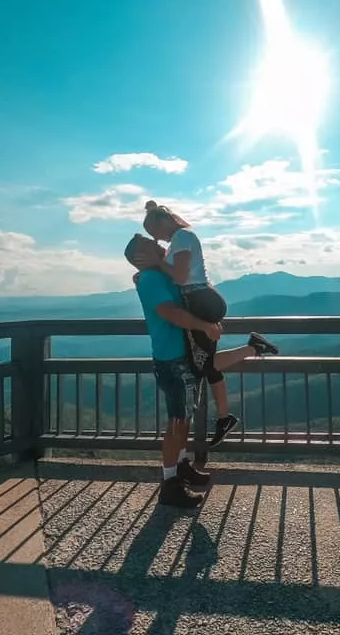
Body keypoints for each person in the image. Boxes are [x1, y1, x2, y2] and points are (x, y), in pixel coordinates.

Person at [124, 233, 279, 508]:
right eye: (151, 244)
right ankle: (170, 485)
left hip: (180, 357)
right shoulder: (151, 280)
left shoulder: (157, 276)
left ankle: (181, 466)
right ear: (139, 257)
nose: (160, 244)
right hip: (173, 359)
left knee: (184, 418)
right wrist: (203, 325)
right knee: (177, 423)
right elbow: (170, 311)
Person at [139, 200, 278, 448]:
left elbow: (180, 276)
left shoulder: (182, 236)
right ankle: (225, 417)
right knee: (204, 365)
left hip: (199, 300)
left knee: (203, 365)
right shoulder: (181, 238)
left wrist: (157, 261)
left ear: (164, 222)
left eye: (154, 233)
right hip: (201, 299)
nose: (157, 239)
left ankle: (253, 350)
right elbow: (181, 274)